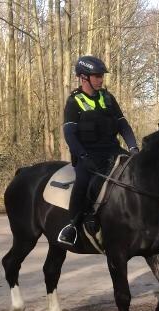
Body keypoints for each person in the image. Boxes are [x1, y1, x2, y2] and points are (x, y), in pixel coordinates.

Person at [57, 55, 139, 246]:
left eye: (101, 75)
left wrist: (133, 147)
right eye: (97, 76)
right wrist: (83, 156)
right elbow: (69, 134)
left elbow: (123, 125)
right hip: (87, 155)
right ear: (83, 77)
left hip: (112, 151)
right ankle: (73, 225)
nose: (101, 79)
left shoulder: (108, 98)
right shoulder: (74, 102)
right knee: (84, 182)